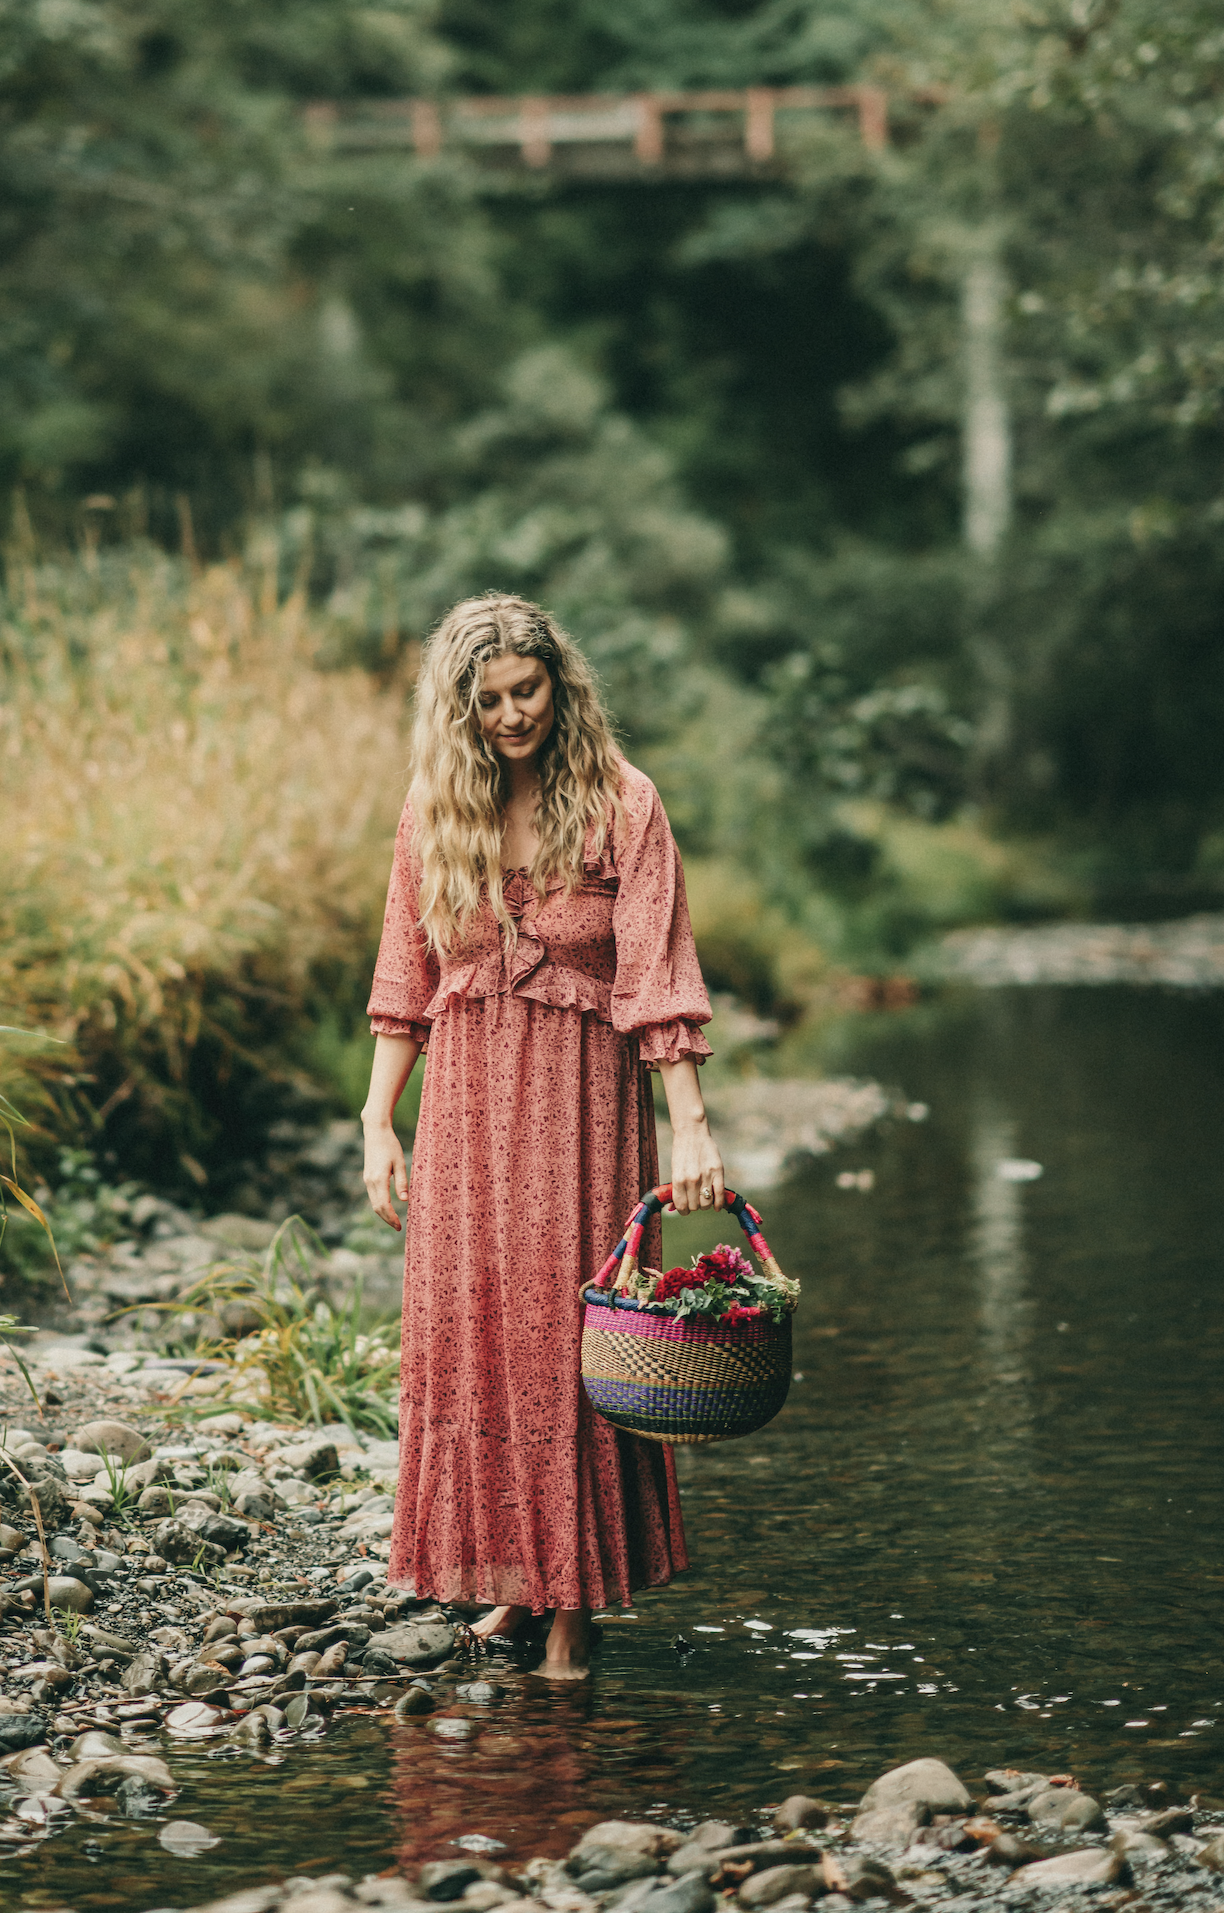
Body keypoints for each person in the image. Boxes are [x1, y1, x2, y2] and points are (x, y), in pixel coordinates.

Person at [362, 593, 724, 1679]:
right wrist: (379, 1117)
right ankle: (511, 1585)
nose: (513, 715)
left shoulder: (624, 801)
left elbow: (659, 974)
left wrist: (694, 1122)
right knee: (477, 1333)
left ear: (560, 686)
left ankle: (574, 1606)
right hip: (466, 1104)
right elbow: (405, 977)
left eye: (529, 691)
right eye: (490, 701)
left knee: (574, 1344)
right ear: (459, 709)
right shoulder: (436, 811)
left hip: (584, 1105)